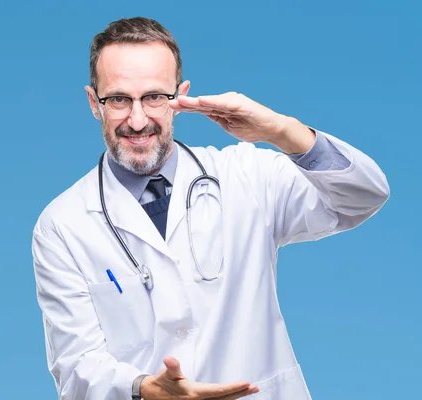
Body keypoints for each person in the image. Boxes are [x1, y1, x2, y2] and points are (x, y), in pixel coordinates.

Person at [31, 16, 389, 400]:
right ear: (93, 103)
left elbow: (364, 194)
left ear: (179, 97)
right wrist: (143, 388)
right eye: (118, 99)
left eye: (154, 97)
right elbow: (76, 367)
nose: (137, 120)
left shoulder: (247, 175)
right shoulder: (62, 225)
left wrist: (280, 131)